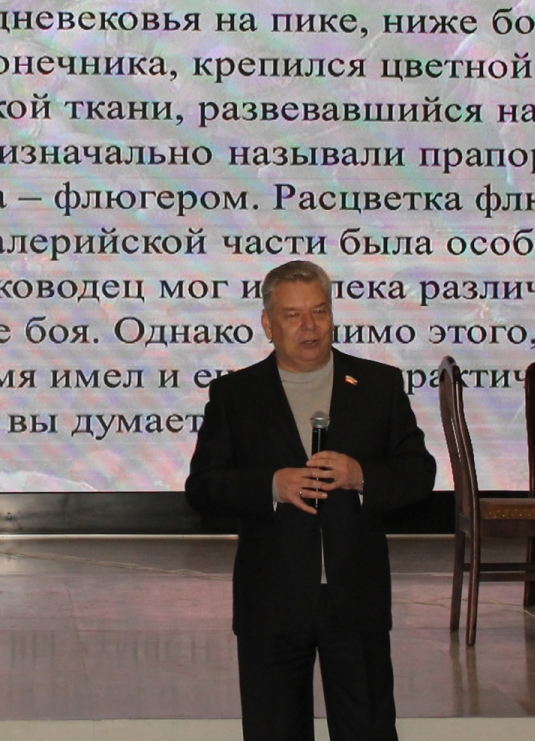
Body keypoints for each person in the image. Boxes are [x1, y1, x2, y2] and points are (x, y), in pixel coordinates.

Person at [185, 260, 436, 741]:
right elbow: (203, 487)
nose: (309, 326)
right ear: (268, 324)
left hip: (356, 599)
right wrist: (271, 485)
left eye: (319, 311)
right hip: (271, 601)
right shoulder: (236, 394)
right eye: (293, 315)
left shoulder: (378, 385)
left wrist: (361, 476)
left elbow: (419, 474)